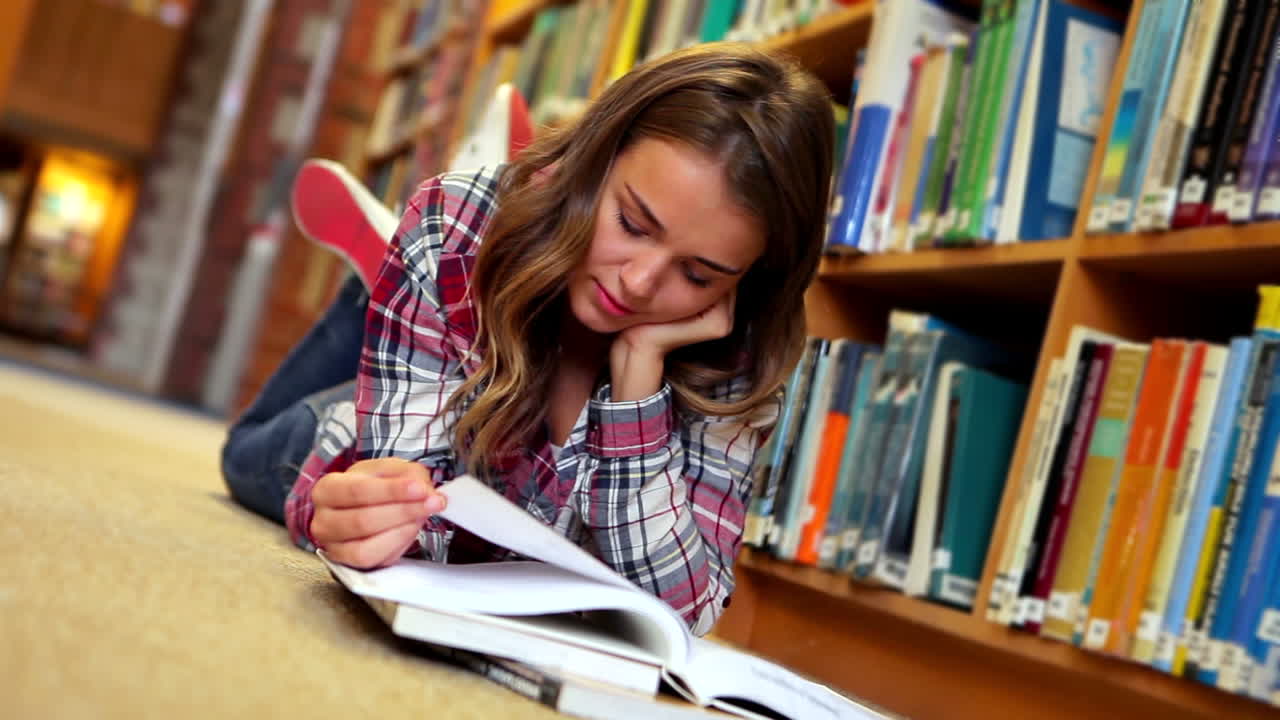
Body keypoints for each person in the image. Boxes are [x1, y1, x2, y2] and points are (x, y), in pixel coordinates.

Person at [221, 43, 834, 636]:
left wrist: (638, 384)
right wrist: (365, 521)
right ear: (593, 160)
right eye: (631, 223)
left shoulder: (740, 355)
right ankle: (400, 272)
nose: (642, 282)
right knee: (245, 455)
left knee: (449, 262)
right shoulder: (455, 225)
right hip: (349, 442)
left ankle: (397, 274)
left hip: (462, 335)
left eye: (698, 274)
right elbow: (413, 534)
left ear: (749, 281)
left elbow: (682, 613)